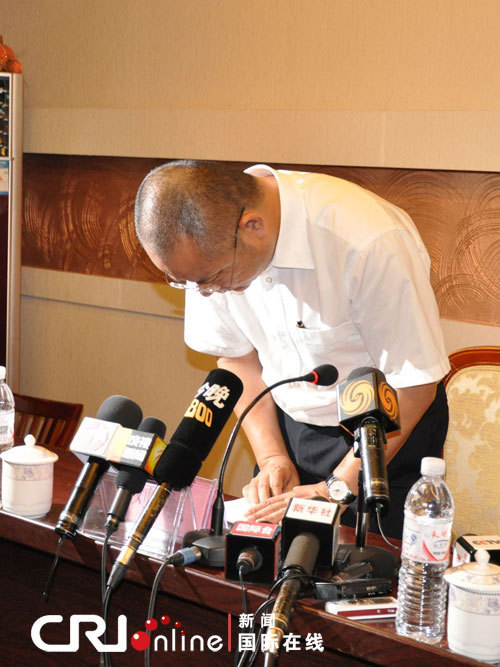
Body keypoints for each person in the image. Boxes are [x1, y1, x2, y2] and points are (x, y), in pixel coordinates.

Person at [134, 160, 450, 539]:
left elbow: (412, 384)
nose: (205, 292)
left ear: (253, 226)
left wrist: (336, 487)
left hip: (385, 433)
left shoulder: (367, 240)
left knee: (362, 581)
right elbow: (236, 358)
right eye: (186, 283)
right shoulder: (209, 249)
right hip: (287, 427)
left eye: (213, 278)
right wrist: (271, 457)